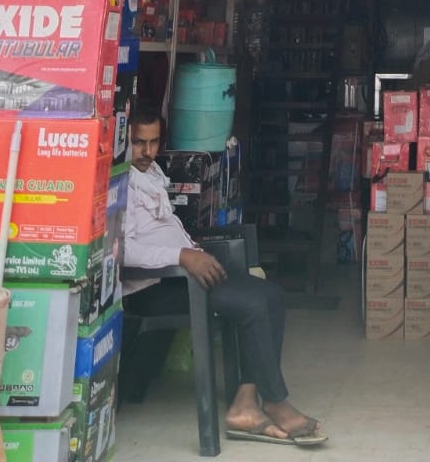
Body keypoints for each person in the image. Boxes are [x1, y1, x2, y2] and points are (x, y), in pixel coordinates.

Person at [123, 106, 325, 447]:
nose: (147, 151)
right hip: (156, 287)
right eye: (138, 143)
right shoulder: (119, 183)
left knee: (271, 295)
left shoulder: (151, 172)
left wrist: (190, 249)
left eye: (154, 142)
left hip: (183, 275)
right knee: (252, 304)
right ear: (123, 140)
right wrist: (181, 256)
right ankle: (275, 402)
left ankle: (246, 402)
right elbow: (123, 251)